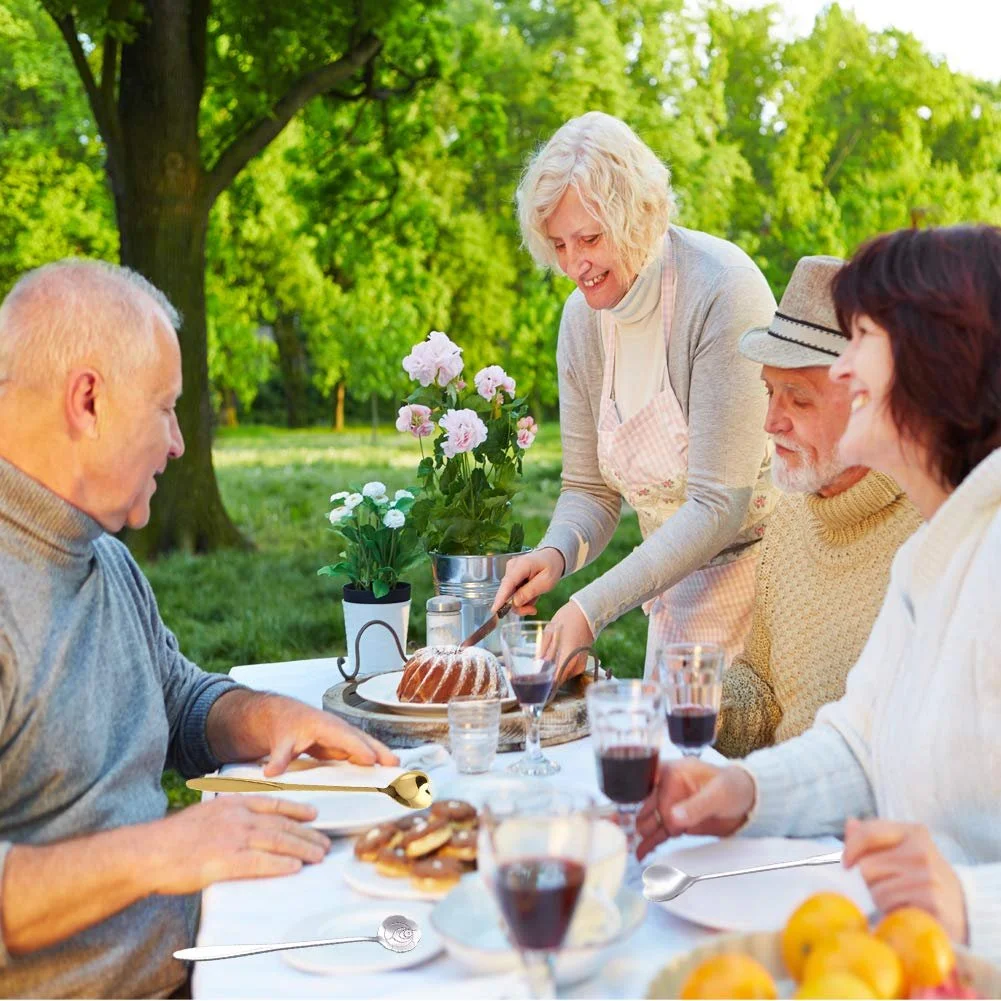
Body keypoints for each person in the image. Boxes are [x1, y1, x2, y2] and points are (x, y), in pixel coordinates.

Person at [0, 260, 397, 998]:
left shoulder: (104, 557)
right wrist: (158, 853)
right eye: (166, 408)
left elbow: (178, 700)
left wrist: (270, 717)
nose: (180, 442)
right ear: (88, 401)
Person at [636, 225, 1001, 961]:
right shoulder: (931, 552)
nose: (844, 364)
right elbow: (861, 746)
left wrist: (973, 903)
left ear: (936, 363)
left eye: (862, 337)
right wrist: (743, 792)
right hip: (894, 953)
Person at [493, 111, 779, 678]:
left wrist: (591, 608)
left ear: (638, 217)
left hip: (767, 589)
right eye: (559, 244)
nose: (574, 264)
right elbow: (589, 491)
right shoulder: (582, 322)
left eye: (590, 239)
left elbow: (719, 504)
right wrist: (555, 553)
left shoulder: (723, 292)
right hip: (668, 585)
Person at [715, 255, 921, 757]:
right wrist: (696, 704)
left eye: (799, 399)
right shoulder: (792, 513)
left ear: (869, 400)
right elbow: (763, 686)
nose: (771, 422)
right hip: (786, 796)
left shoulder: (931, 534)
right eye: (770, 392)